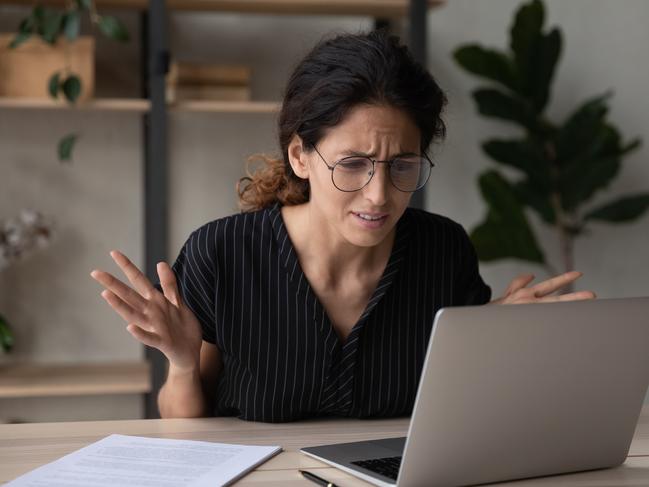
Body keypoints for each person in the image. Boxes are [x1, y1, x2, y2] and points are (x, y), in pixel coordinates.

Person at [90, 30, 595, 422]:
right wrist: (181, 362)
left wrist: (492, 333)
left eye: (403, 165)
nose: (379, 195)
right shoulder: (222, 254)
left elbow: (459, 413)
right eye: (352, 163)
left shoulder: (443, 249)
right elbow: (184, 428)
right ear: (301, 156)